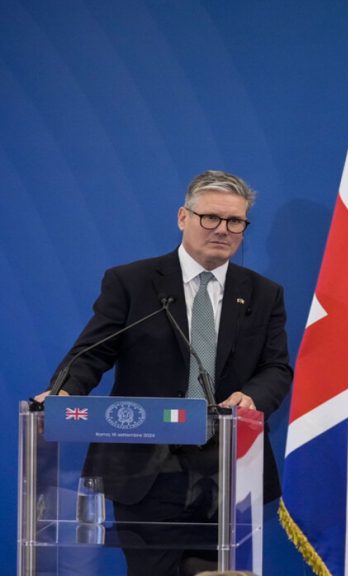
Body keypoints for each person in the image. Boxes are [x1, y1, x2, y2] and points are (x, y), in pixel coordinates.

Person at [36, 170, 292, 576]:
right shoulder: (132, 282)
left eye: (235, 221)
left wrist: (252, 396)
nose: (222, 229)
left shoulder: (263, 293)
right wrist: (63, 391)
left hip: (225, 470)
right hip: (145, 470)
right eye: (211, 217)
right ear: (183, 217)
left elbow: (276, 367)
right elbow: (92, 353)